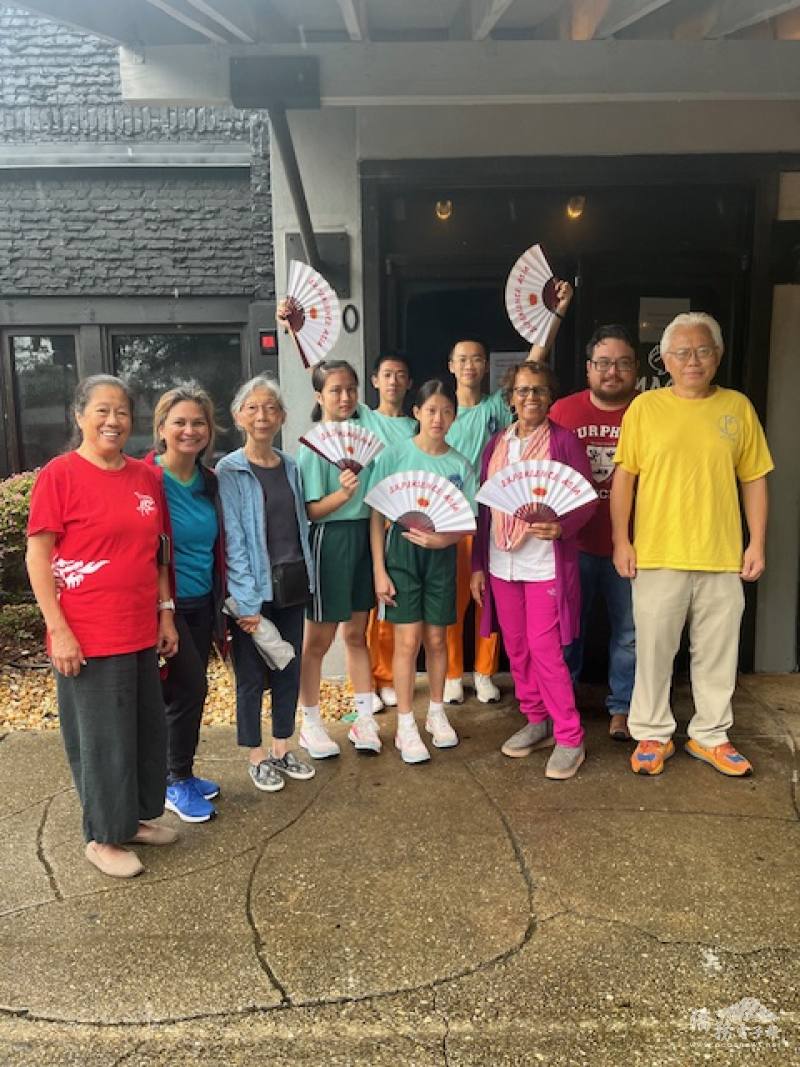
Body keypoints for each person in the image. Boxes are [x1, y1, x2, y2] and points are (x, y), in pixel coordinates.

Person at [26, 375, 179, 879]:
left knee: (140, 733)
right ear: (79, 416)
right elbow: (39, 556)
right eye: (101, 411)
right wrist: (59, 630)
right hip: (88, 631)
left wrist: (165, 612)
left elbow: (157, 553)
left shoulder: (145, 476)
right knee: (101, 740)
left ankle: (129, 820)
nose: (113, 421)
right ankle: (101, 835)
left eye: (121, 412)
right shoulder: (60, 474)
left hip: (139, 626)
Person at [612, 312, 773, 777]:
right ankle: (652, 733)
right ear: (664, 359)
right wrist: (621, 540)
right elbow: (625, 478)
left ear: (717, 356)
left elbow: (755, 479)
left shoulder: (738, 408)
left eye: (703, 350)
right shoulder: (645, 408)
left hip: (721, 555)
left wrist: (756, 542)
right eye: (682, 352)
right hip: (658, 553)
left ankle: (710, 736)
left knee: (718, 653)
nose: (693, 360)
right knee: (654, 651)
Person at [445, 280, 573, 705]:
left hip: (501, 527)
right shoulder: (438, 412)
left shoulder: (499, 412)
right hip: (451, 523)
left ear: (485, 367)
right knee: (453, 604)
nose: (469, 365)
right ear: (451, 366)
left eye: (477, 359)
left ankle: (484, 672)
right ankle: (449, 673)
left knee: (490, 609)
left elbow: (533, 364)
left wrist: (554, 317)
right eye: (462, 359)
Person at [471, 362, 597, 780]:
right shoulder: (496, 445)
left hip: (544, 562)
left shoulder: (564, 442)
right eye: (523, 391)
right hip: (500, 561)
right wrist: (477, 566)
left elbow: (586, 501)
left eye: (539, 391)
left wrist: (562, 526)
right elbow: (485, 509)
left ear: (550, 398)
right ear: (510, 398)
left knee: (545, 650)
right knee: (518, 646)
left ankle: (569, 735)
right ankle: (536, 718)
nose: (531, 398)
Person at [216, 376, 316, 792]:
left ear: (282, 417)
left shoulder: (291, 465)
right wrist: (245, 601)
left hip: (292, 584)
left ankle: (281, 747)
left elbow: (299, 526)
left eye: (271, 408)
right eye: (253, 408)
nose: (262, 416)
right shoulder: (230, 469)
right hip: (252, 590)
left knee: (289, 666)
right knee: (253, 675)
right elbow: (234, 539)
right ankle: (256, 756)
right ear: (239, 416)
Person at [369, 379, 477, 763]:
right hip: (401, 553)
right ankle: (404, 724)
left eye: (446, 411)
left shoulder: (459, 464)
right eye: (430, 410)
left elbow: (468, 521)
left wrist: (444, 541)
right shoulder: (394, 455)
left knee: (436, 639)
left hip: (441, 556)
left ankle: (435, 712)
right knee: (406, 641)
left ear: (454, 417)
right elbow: (377, 513)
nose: (438, 418)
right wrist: (379, 571)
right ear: (416, 413)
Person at [550, 325, 638, 740]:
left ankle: (623, 708)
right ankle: (563, 704)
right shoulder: (562, 412)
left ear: (635, 369)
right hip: (574, 545)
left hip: (634, 545)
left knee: (630, 632)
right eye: (603, 363)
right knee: (569, 629)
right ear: (588, 369)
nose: (612, 372)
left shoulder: (649, 411)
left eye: (622, 364)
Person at [145, 385, 227, 822]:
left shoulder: (209, 481)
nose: (189, 430)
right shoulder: (146, 479)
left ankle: (182, 773)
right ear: (161, 428)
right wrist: (163, 612)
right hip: (164, 608)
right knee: (188, 689)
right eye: (179, 422)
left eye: (198, 422)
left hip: (201, 602)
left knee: (189, 692)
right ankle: (172, 781)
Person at [296, 360, 376, 760]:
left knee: (356, 634)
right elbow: (310, 510)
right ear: (319, 396)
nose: (344, 397)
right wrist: (343, 496)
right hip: (330, 539)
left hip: (365, 535)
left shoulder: (367, 436)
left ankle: (365, 718)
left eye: (350, 389)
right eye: (335, 390)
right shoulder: (313, 444)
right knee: (319, 639)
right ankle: (310, 723)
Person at [358, 353, 416, 712]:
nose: (393, 381)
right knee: (362, 609)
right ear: (375, 381)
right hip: (363, 517)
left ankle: (388, 677)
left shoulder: (416, 426)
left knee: (390, 606)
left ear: (409, 383)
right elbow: (325, 385)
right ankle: (367, 681)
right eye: (387, 375)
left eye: (401, 375)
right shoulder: (364, 416)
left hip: (400, 524)